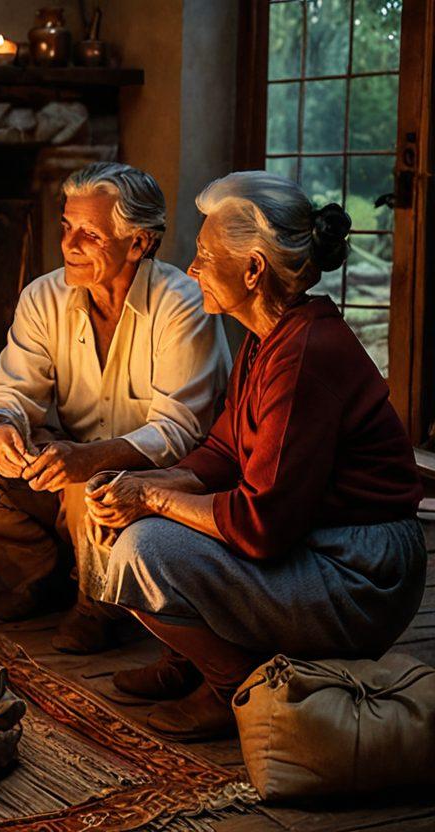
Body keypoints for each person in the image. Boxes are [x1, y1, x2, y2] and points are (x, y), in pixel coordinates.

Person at [89, 171, 425, 741]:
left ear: (252, 270)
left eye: (202, 254)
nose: (191, 269)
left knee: (147, 547)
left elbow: (260, 524)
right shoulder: (267, 339)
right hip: (318, 541)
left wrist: (148, 497)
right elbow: (221, 451)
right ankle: (193, 659)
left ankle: (235, 687)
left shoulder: (305, 356)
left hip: (363, 574)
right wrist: (138, 483)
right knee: (134, 524)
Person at [0, 162, 231, 646]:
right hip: (70, 469)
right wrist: (2, 426)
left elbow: (179, 432)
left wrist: (86, 461)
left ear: (138, 243)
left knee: (88, 483)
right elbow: (11, 391)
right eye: (67, 227)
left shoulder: (183, 303)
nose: (69, 244)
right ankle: (46, 577)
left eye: (90, 233)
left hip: (157, 484)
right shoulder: (43, 297)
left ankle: (100, 606)